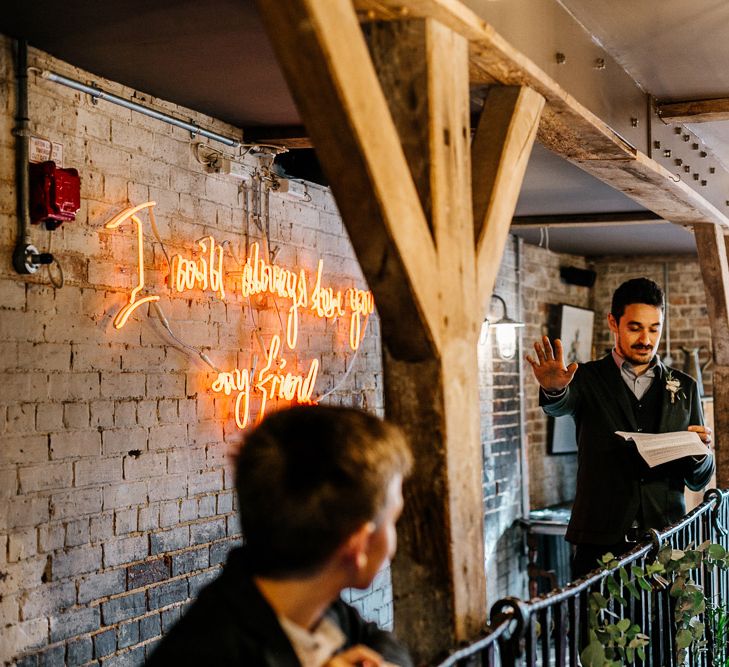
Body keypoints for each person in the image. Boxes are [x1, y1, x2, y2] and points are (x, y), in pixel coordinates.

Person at [147, 405, 413, 666]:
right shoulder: (203, 653)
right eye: (392, 520)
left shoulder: (320, 605)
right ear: (359, 545)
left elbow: (380, 641)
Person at [526, 277, 714, 578]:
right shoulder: (585, 379)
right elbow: (559, 405)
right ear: (614, 323)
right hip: (599, 544)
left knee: (664, 626)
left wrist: (700, 453)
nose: (646, 339)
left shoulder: (687, 388)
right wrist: (553, 389)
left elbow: (698, 479)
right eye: (635, 327)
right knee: (594, 625)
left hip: (665, 542)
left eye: (655, 328)